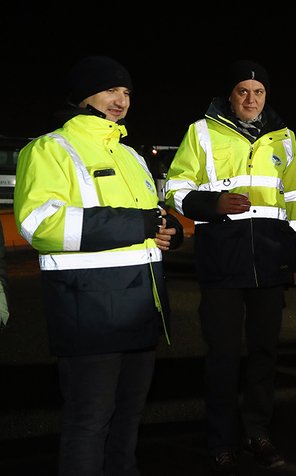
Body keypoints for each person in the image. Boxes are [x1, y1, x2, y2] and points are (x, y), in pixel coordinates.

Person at [13, 55, 183, 476]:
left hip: (141, 310)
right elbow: (40, 223)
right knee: (89, 424)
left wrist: (169, 230)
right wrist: (136, 223)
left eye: (126, 92)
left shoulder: (132, 155)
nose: (121, 100)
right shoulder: (49, 149)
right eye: (111, 90)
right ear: (83, 94)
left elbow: (153, 214)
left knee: (129, 420)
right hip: (89, 313)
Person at [164, 59, 296, 475]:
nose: (251, 98)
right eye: (243, 91)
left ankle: (257, 434)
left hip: (269, 261)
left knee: (265, 353)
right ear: (230, 95)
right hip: (222, 261)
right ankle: (220, 440)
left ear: (267, 96)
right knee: (223, 357)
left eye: (259, 91)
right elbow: (175, 188)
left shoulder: (283, 136)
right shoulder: (201, 131)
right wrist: (211, 205)